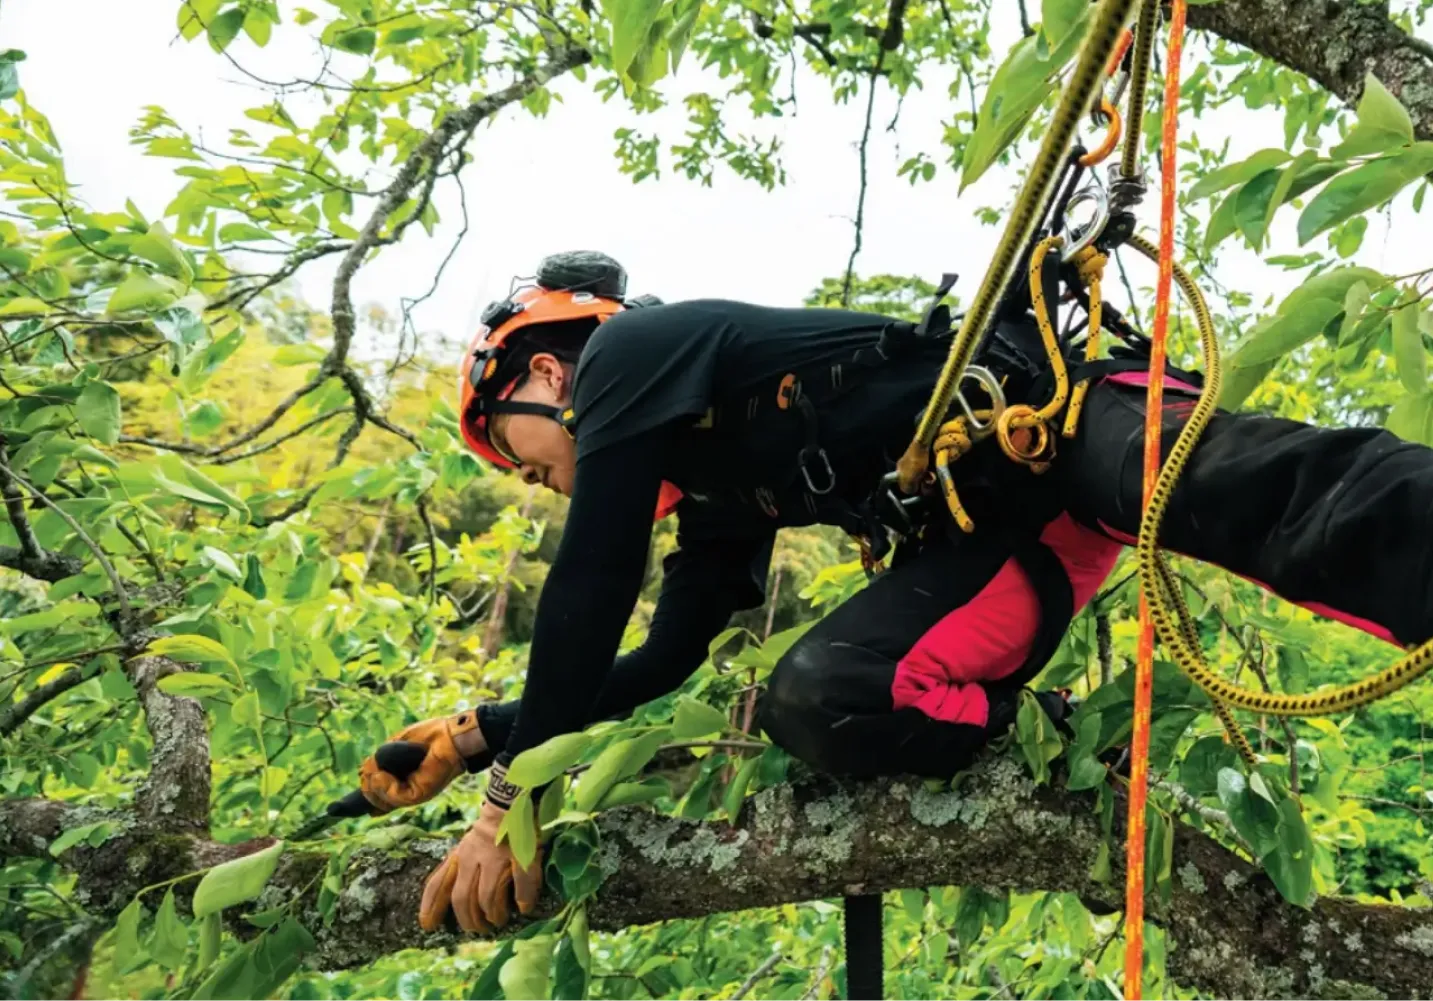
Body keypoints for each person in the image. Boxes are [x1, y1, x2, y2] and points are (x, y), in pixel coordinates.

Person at [357, 250, 1433, 936]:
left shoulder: (631, 350)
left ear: (545, 373)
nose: (534, 480)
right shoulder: (717, 495)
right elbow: (654, 659)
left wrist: (510, 800)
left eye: (518, 451)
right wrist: (476, 732)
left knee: (1271, 499)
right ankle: (1047, 734)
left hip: (1054, 416)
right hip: (1004, 552)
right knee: (814, 695)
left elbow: (589, 579)